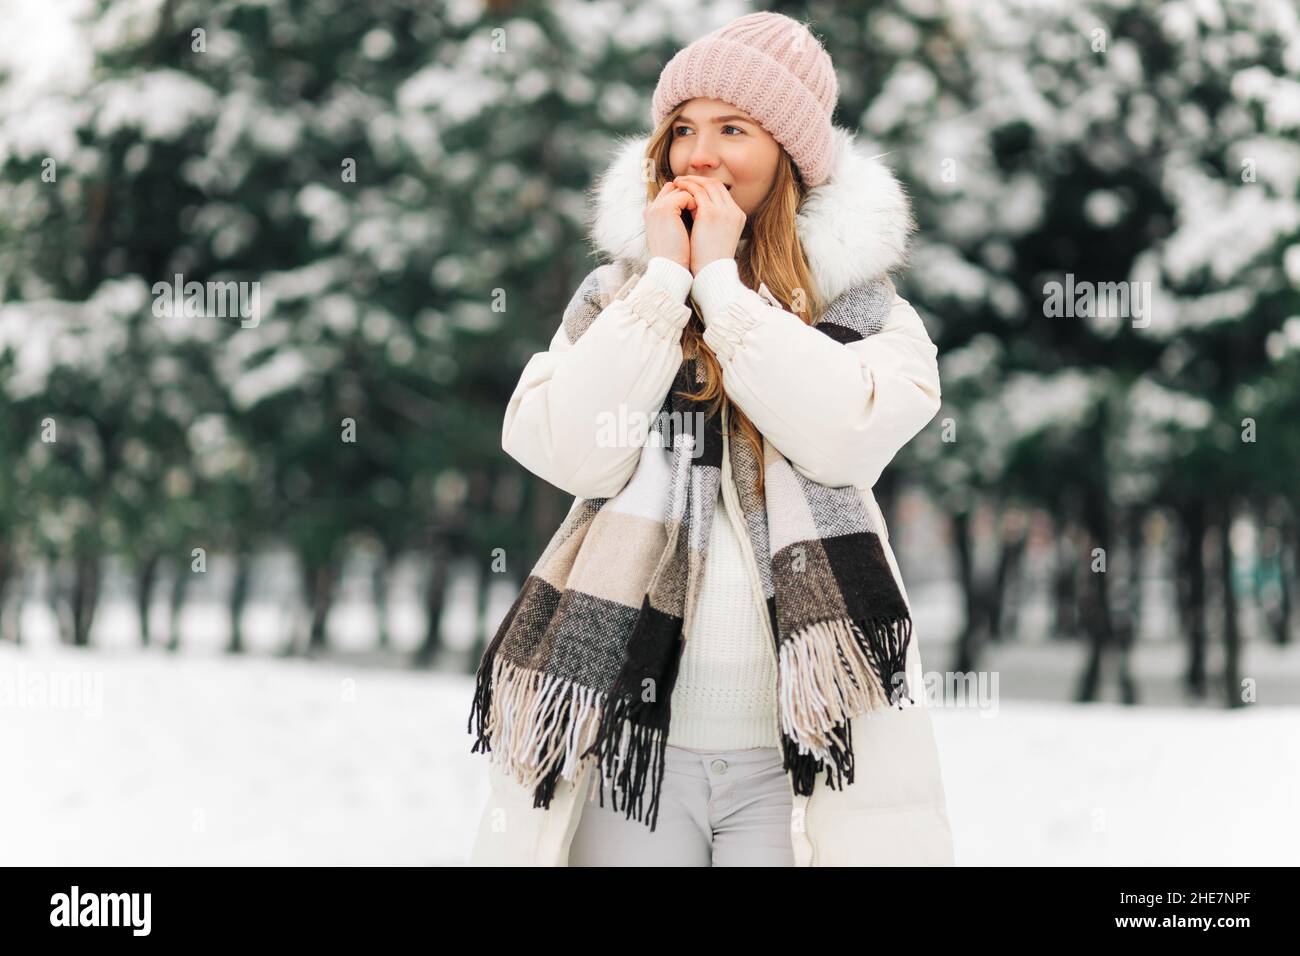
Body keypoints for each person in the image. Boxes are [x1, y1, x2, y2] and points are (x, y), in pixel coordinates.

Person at [469, 11, 954, 867]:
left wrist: (723, 291)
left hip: (799, 761)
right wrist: (663, 284)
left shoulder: (867, 312)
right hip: (630, 751)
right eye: (683, 129)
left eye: (734, 128)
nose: (701, 153)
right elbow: (571, 452)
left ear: (791, 156)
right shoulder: (616, 296)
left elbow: (840, 440)